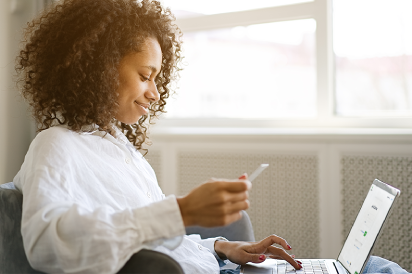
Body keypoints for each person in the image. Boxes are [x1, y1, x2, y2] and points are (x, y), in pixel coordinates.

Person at [13, 1, 409, 274]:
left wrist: (222, 249)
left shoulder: (116, 148)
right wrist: (181, 212)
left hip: (219, 267)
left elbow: (151, 244)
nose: (154, 92)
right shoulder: (56, 145)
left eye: (157, 79)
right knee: (379, 269)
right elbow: (49, 244)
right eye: (145, 75)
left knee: (375, 267)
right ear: (98, 70)